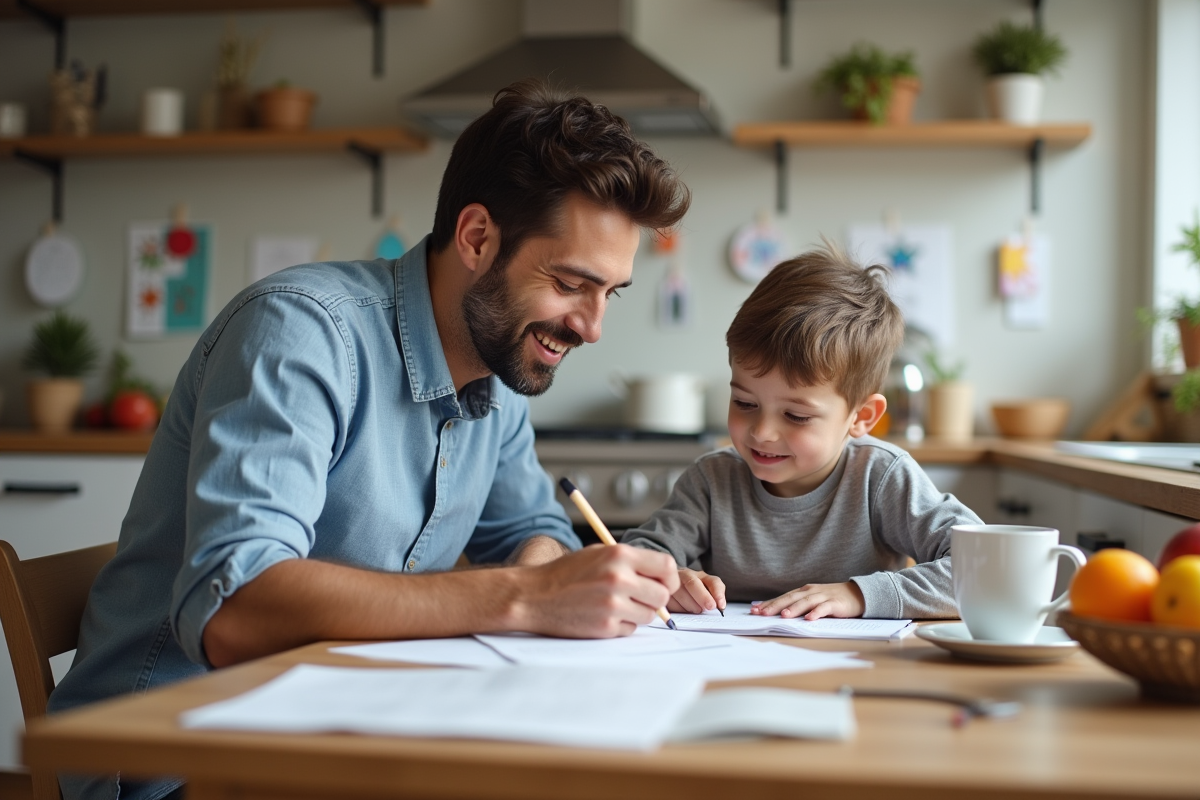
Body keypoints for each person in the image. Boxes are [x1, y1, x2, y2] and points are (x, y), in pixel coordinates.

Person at [49, 80, 689, 800]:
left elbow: (530, 530)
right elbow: (236, 607)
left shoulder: (499, 372)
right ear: (478, 238)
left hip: (338, 727)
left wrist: (552, 572)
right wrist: (527, 596)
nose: (592, 326)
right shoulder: (300, 333)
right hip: (174, 757)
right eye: (572, 283)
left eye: (611, 293)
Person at [621, 244, 981, 621]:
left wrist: (858, 595)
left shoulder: (882, 478)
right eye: (745, 403)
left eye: (795, 415)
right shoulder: (711, 481)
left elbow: (980, 569)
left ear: (862, 416)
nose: (762, 432)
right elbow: (640, 556)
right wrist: (667, 579)